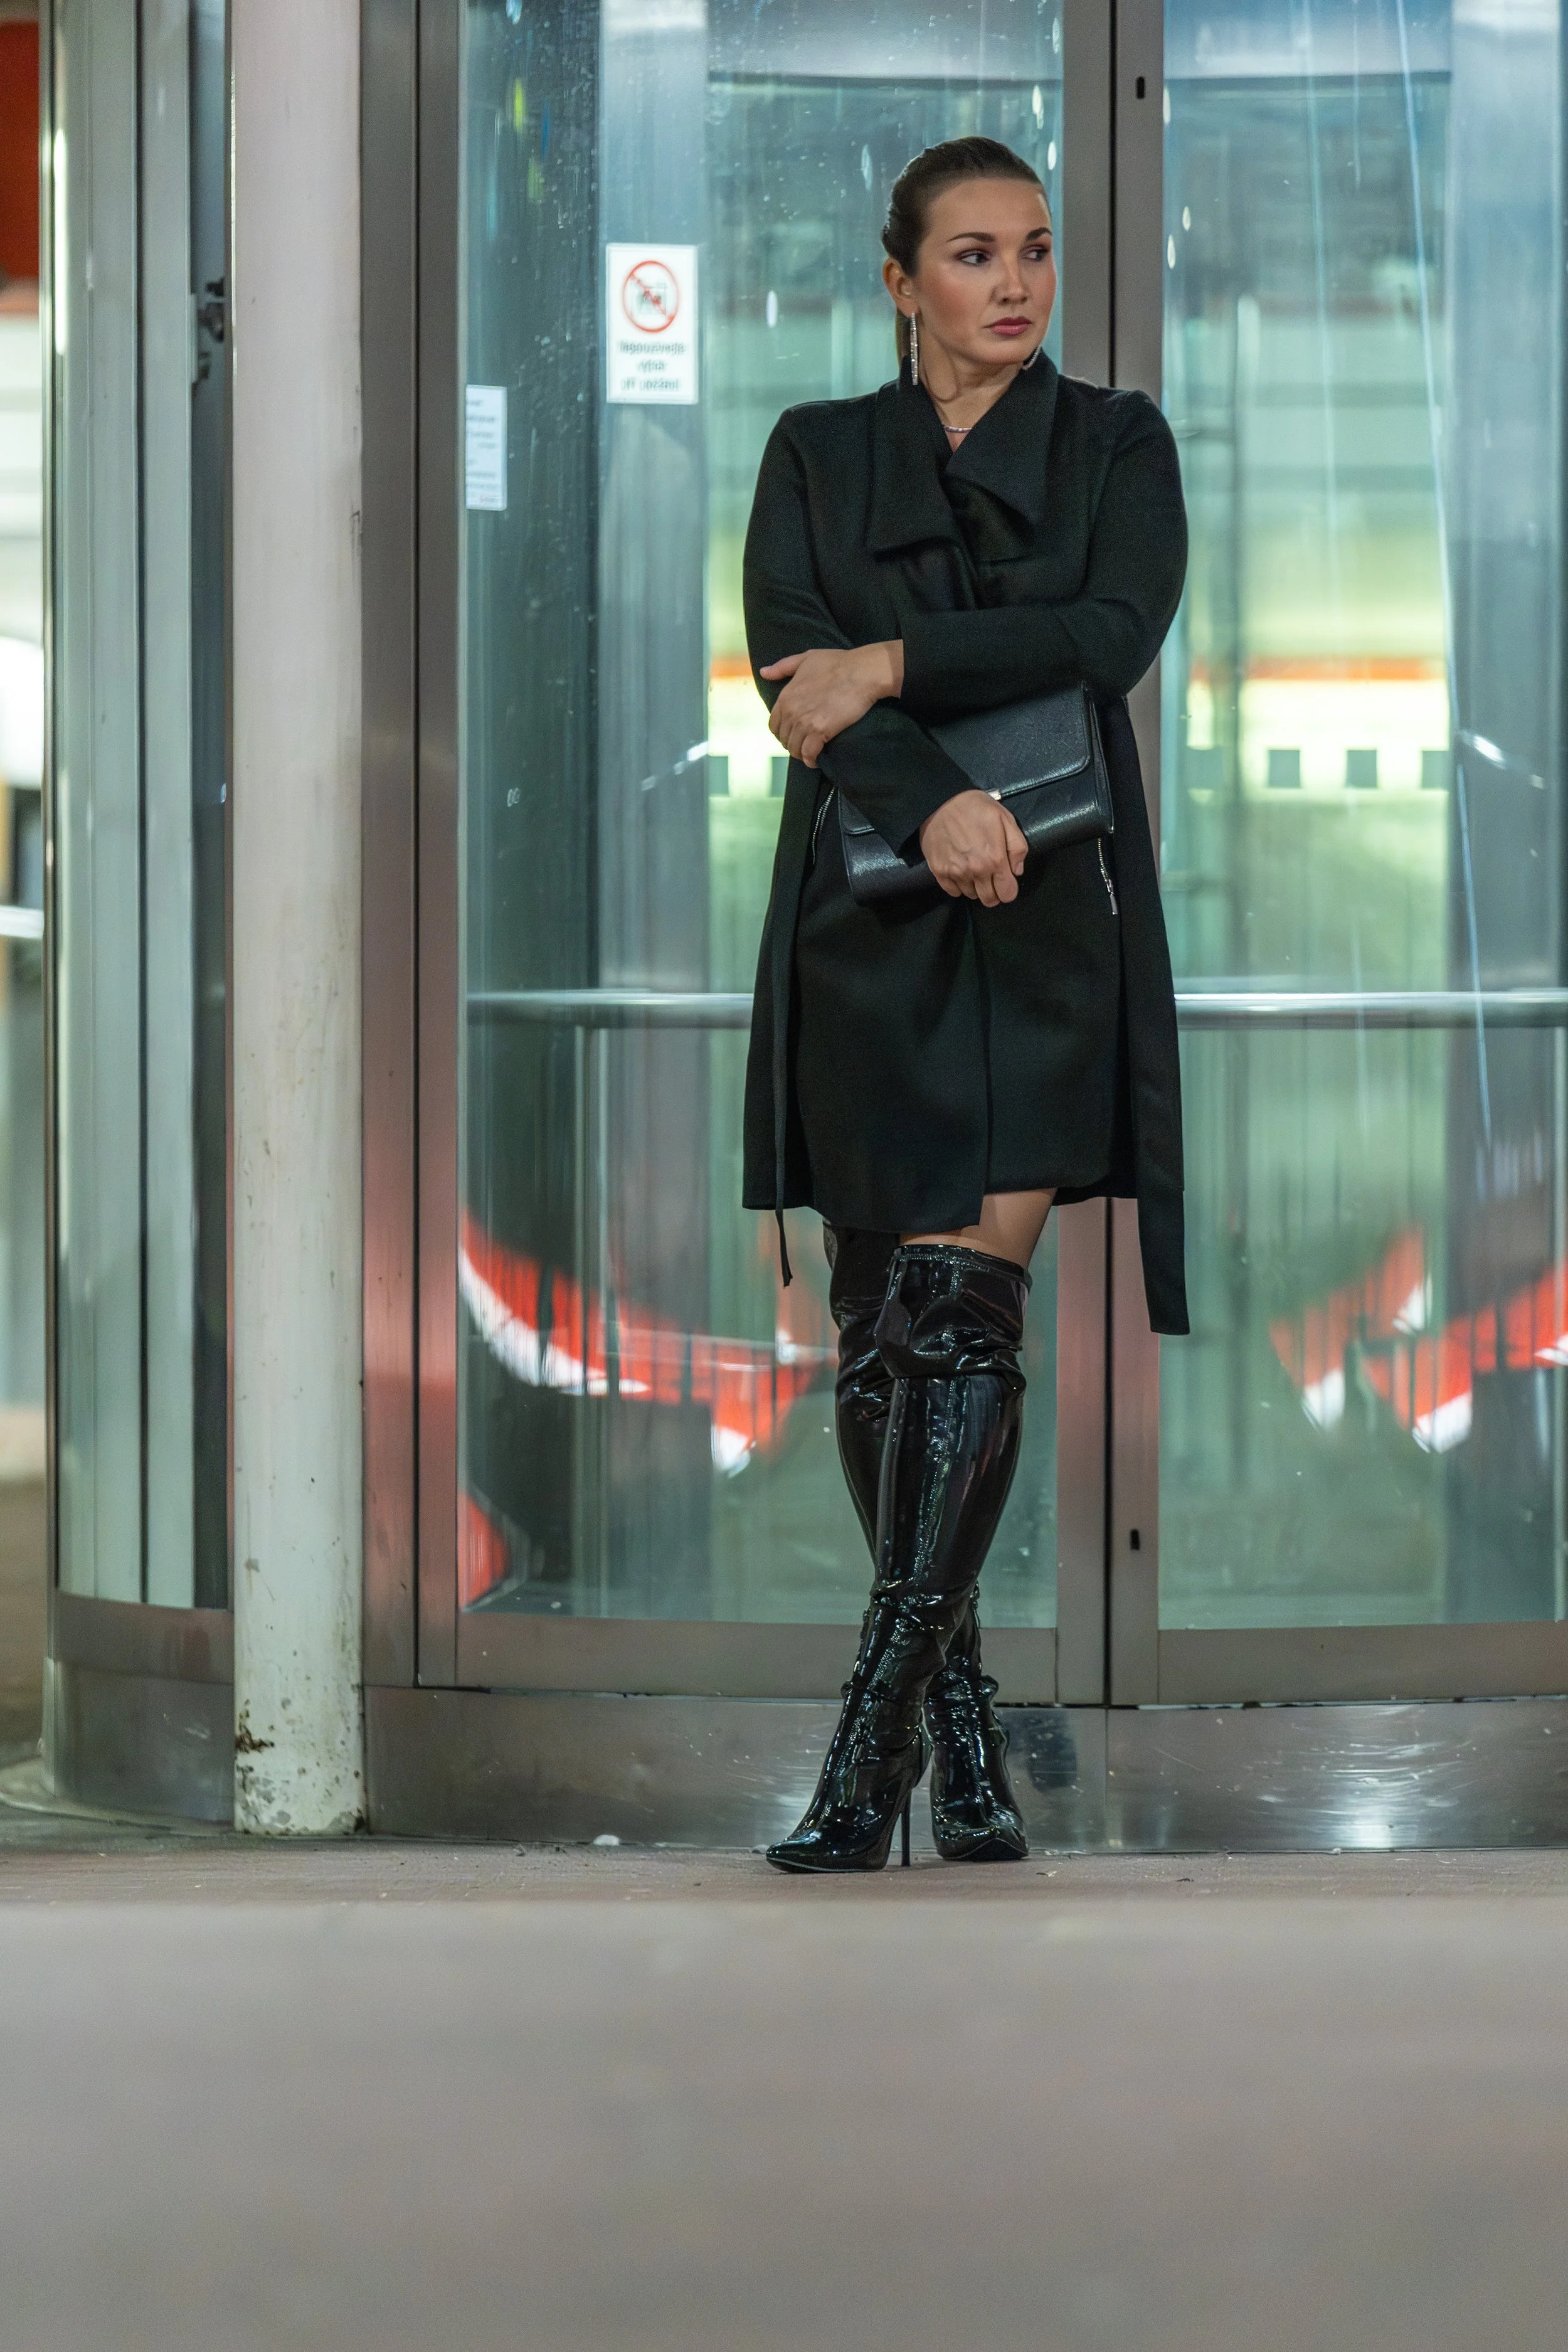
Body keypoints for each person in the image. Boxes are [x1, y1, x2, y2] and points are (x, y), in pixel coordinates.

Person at [743, 137, 1189, 1872]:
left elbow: (1111, 626)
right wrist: (924, 792)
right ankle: (967, 1736)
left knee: (954, 1317)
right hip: (870, 913)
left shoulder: (1115, 444)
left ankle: (865, 1758)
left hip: (1040, 925)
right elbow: (793, 674)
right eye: (971, 256)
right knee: (875, 1337)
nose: (1011, 285)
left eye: (1034, 254)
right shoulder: (815, 453)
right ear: (898, 280)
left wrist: (901, 665)